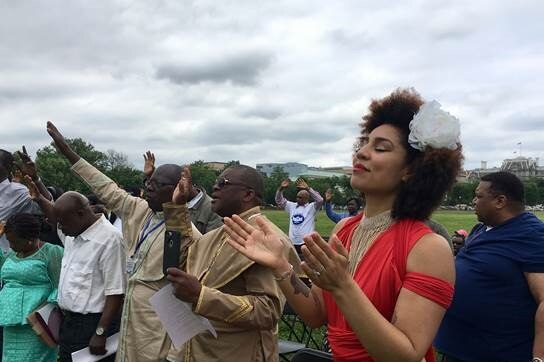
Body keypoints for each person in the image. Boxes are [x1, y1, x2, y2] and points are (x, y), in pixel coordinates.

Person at [224, 88, 462, 361]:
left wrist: (342, 285)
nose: (361, 153)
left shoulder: (428, 248)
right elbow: (316, 314)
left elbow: (405, 355)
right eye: (364, 143)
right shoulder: (345, 230)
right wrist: (280, 266)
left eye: (381, 147)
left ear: (411, 170)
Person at [45, 122, 201, 362]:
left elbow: (183, 285)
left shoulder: (189, 235)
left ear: (177, 190)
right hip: (130, 320)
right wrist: (68, 151)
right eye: (148, 182)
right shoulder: (139, 209)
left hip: (157, 325)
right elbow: (106, 187)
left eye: (156, 185)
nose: (147, 188)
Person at [164, 165, 299, 362]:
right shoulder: (217, 234)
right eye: (215, 183)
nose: (214, 188)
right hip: (200, 350)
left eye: (222, 183)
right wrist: (177, 208)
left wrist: (201, 295)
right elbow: (184, 258)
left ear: (248, 194)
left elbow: (267, 312)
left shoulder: (268, 240)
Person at [435, 172, 544, 362]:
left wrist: (538, 358)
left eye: (479, 196)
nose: (473, 201)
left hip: (496, 354)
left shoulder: (532, 236)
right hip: (458, 348)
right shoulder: (481, 229)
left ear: (500, 201)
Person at [27, 180, 126, 362]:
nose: (60, 229)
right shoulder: (73, 232)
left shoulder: (110, 239)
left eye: (63, 224)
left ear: (81, 214)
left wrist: (100, 332)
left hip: (93, 326)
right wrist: (40, 199)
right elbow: (57, 216)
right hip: (69, 324)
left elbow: (116, 292)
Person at [0, 213, 63, 362]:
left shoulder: (51, 252)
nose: (11, 245)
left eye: (14, 241)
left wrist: (42, 310)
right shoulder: (13, 254)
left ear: (29, 239)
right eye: (8, 241)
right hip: (11, 321)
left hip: (37, 323)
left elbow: (60, 285)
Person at [143, 150, 222, 234]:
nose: (149, 189)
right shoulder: (163, 203)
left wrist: (179, 209)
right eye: (149, 183)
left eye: (156, 184)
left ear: (180, 186)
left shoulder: (213, 211)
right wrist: (150, 177)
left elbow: (206, 245)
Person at [0, 147, 51, 253]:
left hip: (5, 260)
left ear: (8, 167)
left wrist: (35, 178)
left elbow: (49, 207)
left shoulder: (18, 192)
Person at [275, 178, 324, 255]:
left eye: (300, 197)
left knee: (307, 264)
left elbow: (320, 200)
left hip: (306, 242)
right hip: (292, 242)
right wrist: (281, 189)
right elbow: (279, 200)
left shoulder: (311, 207)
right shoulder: (291, 206)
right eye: (297, 197)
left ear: (306, 198)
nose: (297, 199)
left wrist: (308, 188)